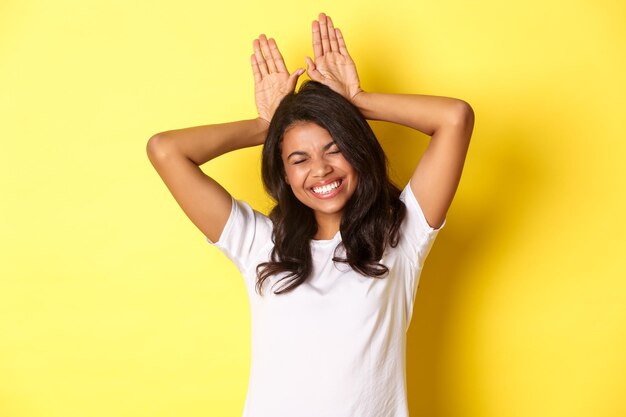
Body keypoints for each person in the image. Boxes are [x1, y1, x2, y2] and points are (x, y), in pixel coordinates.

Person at [146, 12, 474, 417]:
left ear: (356, 151)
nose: (320, 170)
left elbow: (454, 118)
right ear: (283, 173)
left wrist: (355, 103)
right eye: (299, 159)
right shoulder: (258, 244)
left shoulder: (400, 235)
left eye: (334, 149)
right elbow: (165, 150)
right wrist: (266, 124)